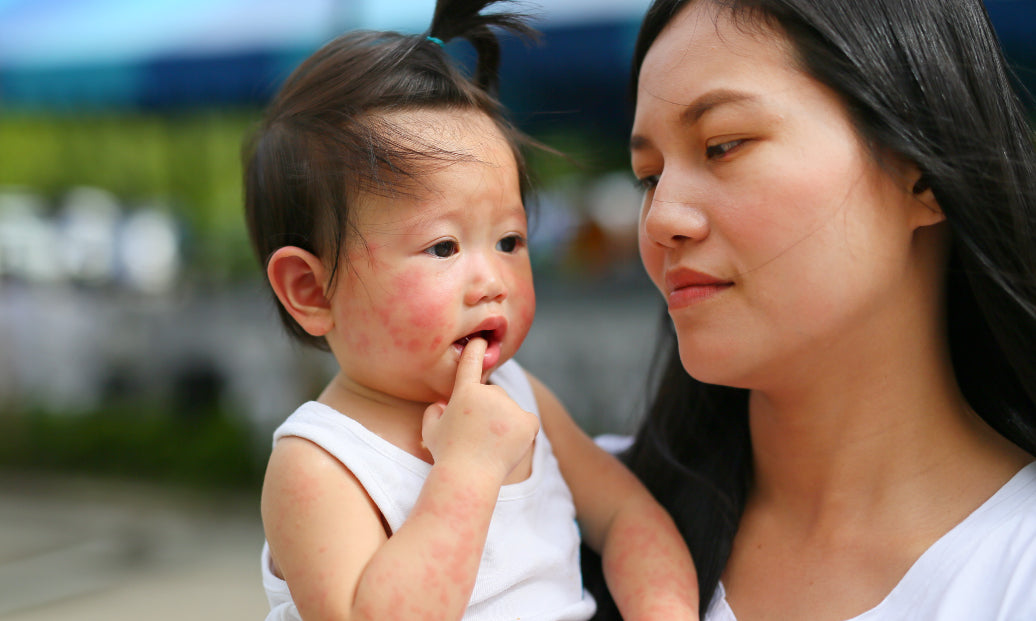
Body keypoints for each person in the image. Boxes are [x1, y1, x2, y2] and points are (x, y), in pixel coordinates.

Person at [241, 1, 700, 620]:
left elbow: (627, 517)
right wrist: (467, 469)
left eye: (510, 241)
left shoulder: (518, 394)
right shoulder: (321, 464)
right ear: (312, 290)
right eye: (443, 247)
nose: (492, 280)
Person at [582, 0, 1036, 619]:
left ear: (921, 172)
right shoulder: (559, 511)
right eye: (648, 177)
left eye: (723, 145)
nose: (661, 219)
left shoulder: (1015, 567)